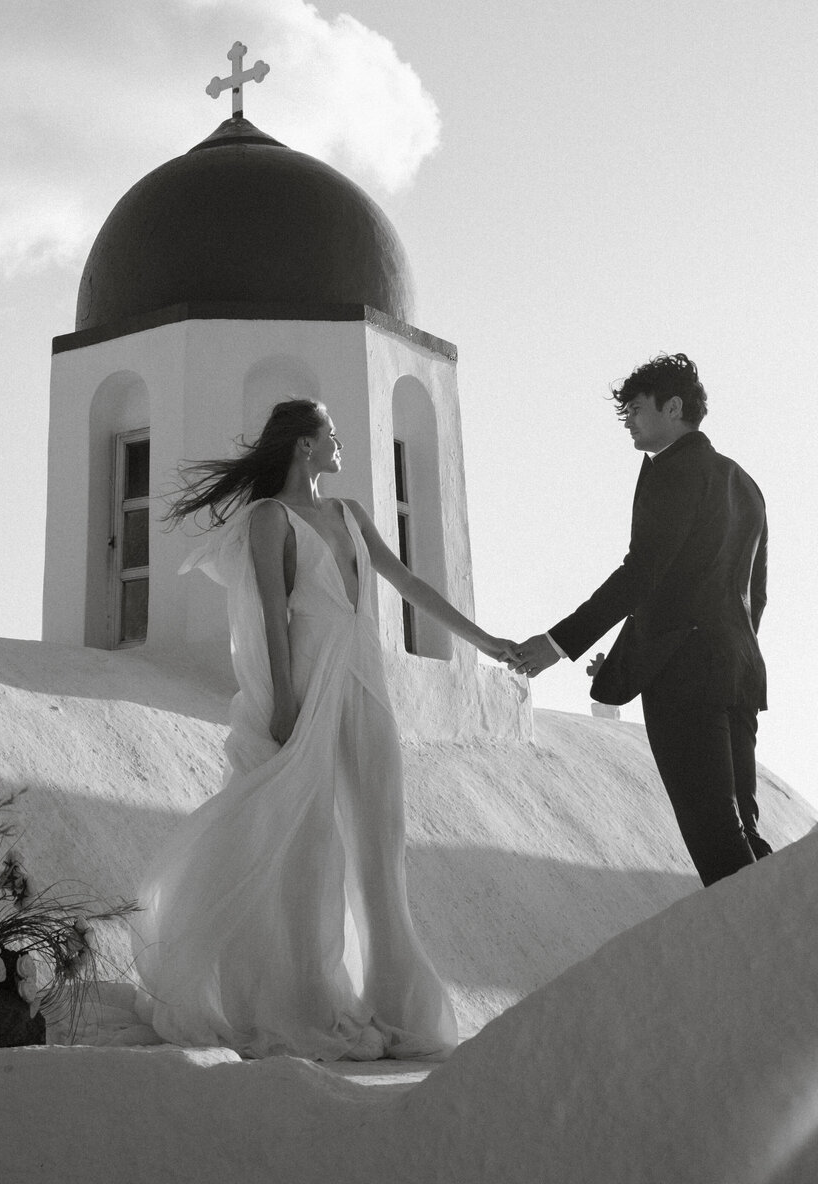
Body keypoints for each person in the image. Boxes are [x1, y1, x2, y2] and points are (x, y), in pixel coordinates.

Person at [132, 398, 518, 1061]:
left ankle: (398, 1007)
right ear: (303, 447)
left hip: (366, 688)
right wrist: (282, 701)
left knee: (380, 842)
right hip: (309, 692)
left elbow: (409, 586)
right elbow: (273, 618)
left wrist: (489, 641)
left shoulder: (350, 516)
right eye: (330, 435)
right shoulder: (267, 520)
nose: (341, 444)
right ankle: (302, 1002)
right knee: (307, 852)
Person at [511, 353, 771, 887]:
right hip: (738, 673)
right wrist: (645, 648)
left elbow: (643, 572)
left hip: (687, 681)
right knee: (744, 831)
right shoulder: (744, 483)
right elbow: (751, 597)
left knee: (718, 844)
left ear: (673, 407)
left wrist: (558, 643)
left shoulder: (672, 470)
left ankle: (777, 967)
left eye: (635, 407)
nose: (627, 419)